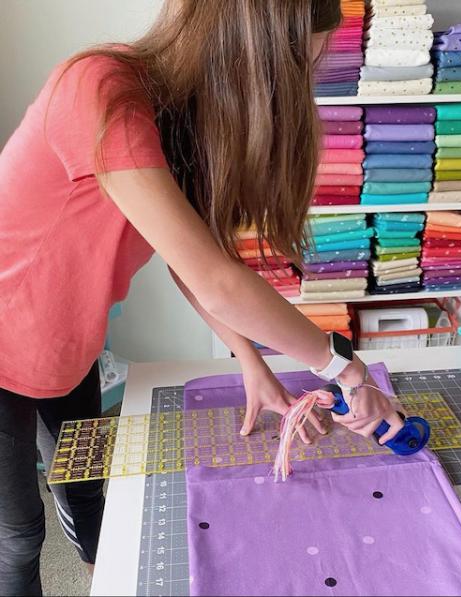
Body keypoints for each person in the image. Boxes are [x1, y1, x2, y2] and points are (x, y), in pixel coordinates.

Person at [0, 1, 405, 594]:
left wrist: (251, 362)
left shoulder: (180, 119)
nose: (303, 88)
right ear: (254, 53)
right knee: (17, 537)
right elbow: (214, 277)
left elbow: (194, 263)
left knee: (85, 489)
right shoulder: (99, 88)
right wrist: (343, 367)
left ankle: (103, 579)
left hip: (67, 339)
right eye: (302, 67)